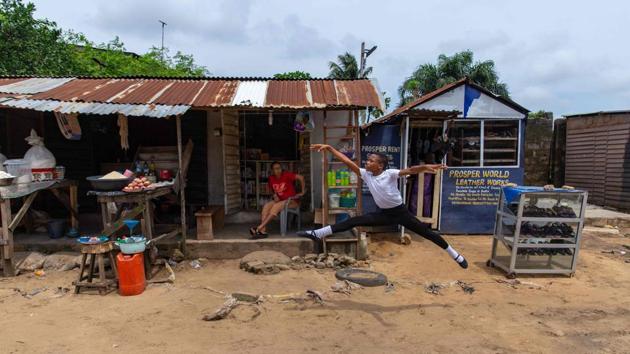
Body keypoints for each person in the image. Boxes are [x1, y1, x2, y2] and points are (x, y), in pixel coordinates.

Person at [298, 144, 468, 269]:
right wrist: (329, 148)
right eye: (368, 159)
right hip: (384, 214)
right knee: (354, 221)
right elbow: (348, 162)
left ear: (379, 165)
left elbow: (411, 170)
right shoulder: (366, 174)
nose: (367, 162)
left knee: (428, 233)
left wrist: (426, 167)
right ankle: (318, 234)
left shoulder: (390, 174)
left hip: (401, 213)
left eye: (371, 160)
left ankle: (455, 255)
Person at [250, 162, 305, 239]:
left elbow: (301, 177)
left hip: (292, 201)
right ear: (272, 170)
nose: (278, 170)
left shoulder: (286, 175)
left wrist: (302, 191)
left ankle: (259, 227)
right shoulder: (271, 178)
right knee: (266, 206)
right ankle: (262, 231)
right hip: (280, 200)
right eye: (276, 169)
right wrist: (274, 195)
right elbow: (272, 190)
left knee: (276, 206)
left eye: (279, 168)